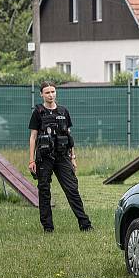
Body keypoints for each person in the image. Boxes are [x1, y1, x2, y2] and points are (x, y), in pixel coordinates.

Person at [28, 81, 93, 233]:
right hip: (44, 157)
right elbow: (33, 137)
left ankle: (85, 224)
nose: (50, 95)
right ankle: (48, 227)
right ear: (41, 94)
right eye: (47, 92)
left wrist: (73, 157)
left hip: (63, 156)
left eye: (53, 92)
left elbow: (69, 136)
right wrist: (31, 160)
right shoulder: (38, 112)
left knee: (72, 189)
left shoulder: (63, 112)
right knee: (44, 190)